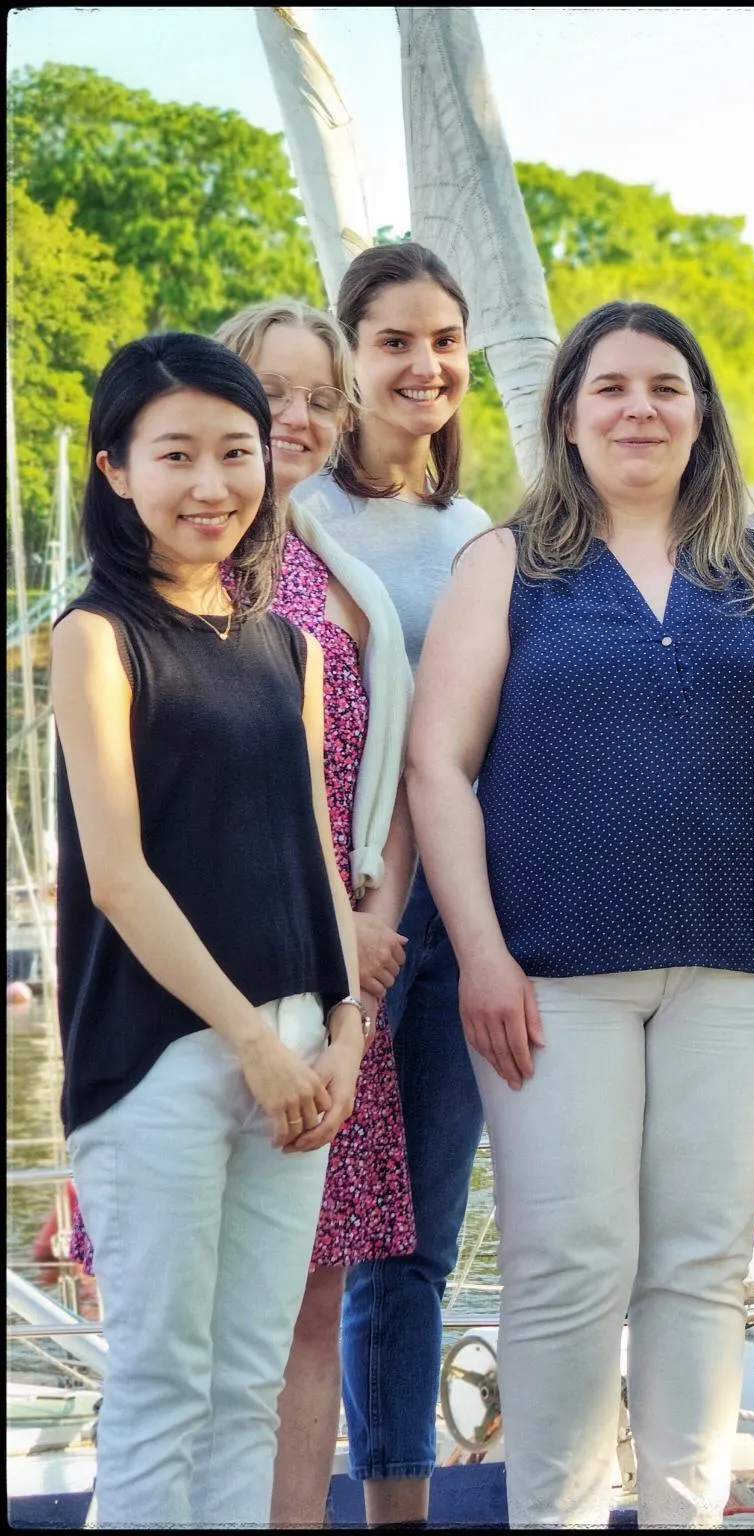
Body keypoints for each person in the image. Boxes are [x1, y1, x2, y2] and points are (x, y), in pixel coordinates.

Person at [407, 300, 754, 1526]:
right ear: (566, 414)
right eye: (610, 387)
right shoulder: (506, 565)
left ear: (701, 413)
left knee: (701, 1268)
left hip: (740, 971)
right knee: (567, 1270)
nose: (639, 409)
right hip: (549, 978)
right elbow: (437, 766)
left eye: (666, 387)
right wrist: (480, 953)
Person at [52, 332, 363, 1526]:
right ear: (116, 469)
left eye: (235, 452)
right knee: (161, 1392)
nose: (211, 484)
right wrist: (254, 1043)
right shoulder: (96, 637)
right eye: (175, 454)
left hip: (298, 1048)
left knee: (249, 1392)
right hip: (162, 1061)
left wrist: (345, 1023)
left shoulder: (287, 646)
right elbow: (119, 879)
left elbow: (316, 855)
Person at [290, 241, 491, 1526]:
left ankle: (397, 1511)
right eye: (395, 342)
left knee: (416, 1239)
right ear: (352, 357)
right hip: (331, 912)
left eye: (444, 341)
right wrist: (351, 915)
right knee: (322, 1244)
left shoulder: (476, 534)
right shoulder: (298, 513)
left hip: (455, 918)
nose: (424, 365)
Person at [216, 299, 422, 1527]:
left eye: (319, 397)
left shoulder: (343, 578)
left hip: (348, 984)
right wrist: (326, 928)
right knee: (208, 1316)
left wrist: (374, 923)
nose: (295, 417)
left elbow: (389, 779)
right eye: (269, 390)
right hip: (225, 977)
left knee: (313, 1303)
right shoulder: (180, 568)